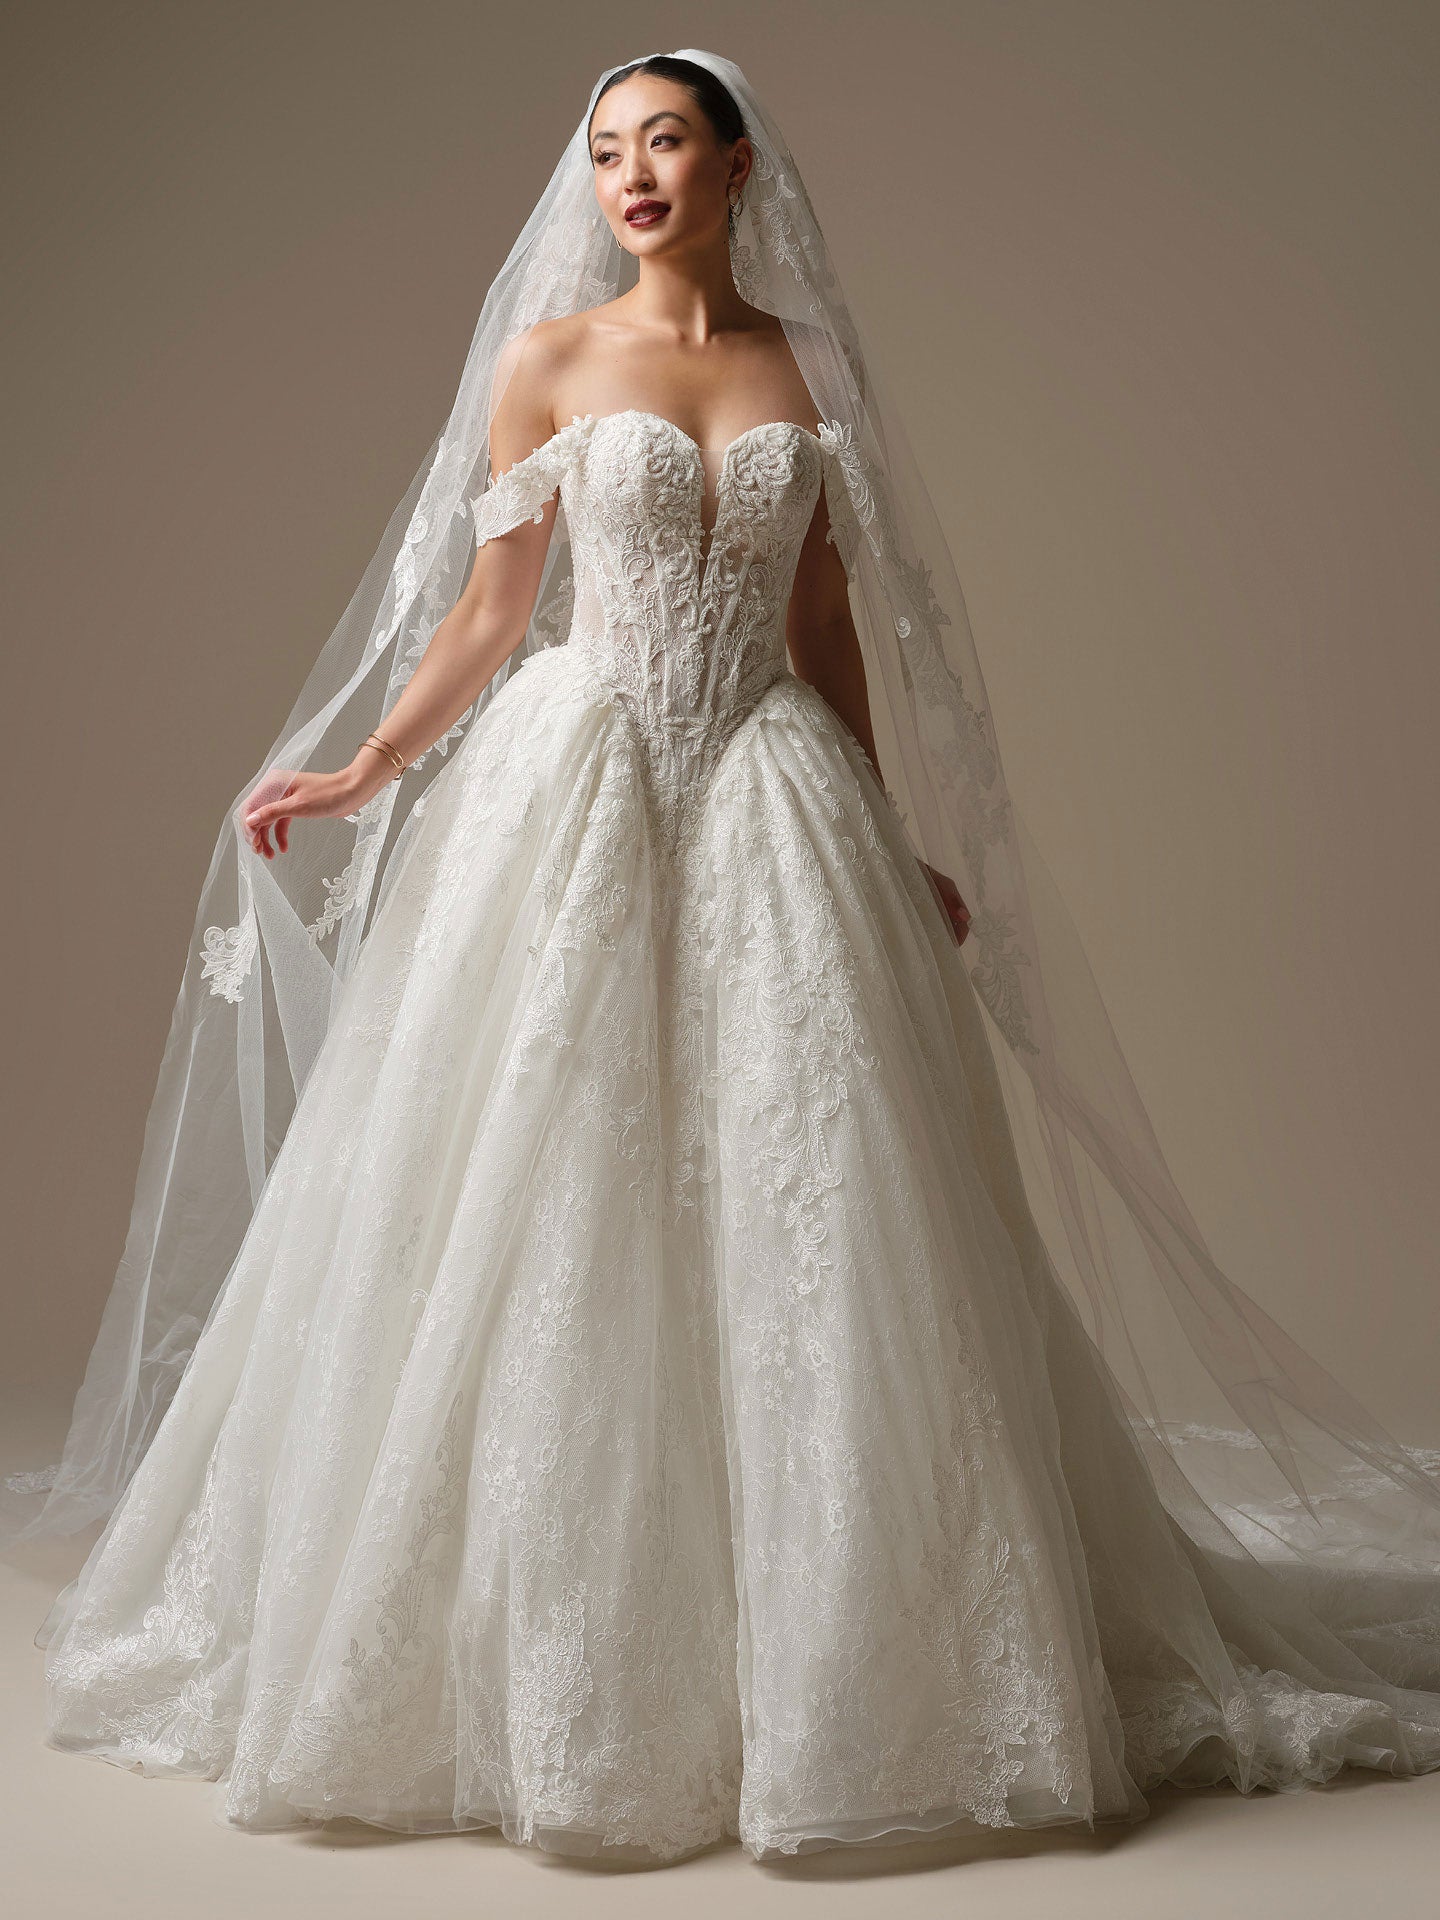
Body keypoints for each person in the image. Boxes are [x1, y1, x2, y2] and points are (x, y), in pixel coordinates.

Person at [7, 48, 1439, 1867]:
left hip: (772, 787)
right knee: (545, 1188)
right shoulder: (547, 362)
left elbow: (828, 617)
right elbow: (494, 611)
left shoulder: (800, 369)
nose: (629, 175)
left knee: (816, 1206)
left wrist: (886, 824)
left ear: (738, 161)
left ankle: (839, 1669)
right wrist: (374, 762)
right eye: (605, 152)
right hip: (573, 786)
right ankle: (542, 1667)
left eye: (663, 140)